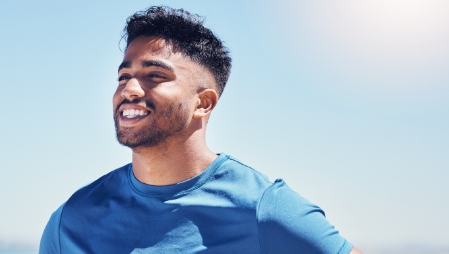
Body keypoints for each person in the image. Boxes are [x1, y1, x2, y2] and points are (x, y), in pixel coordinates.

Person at [40, 6, 362, 254]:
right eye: (124, 77)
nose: (130, 90)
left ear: (203, 103)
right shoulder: (70, 220)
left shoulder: (267, 209)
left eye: (155, 75)